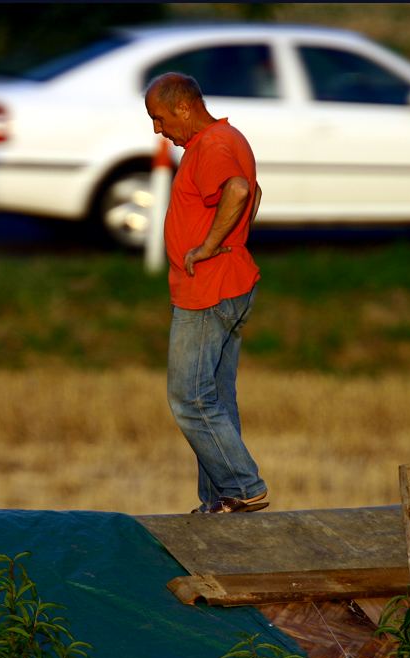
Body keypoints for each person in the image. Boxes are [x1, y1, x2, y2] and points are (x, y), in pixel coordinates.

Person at [143, 72, 268, 514]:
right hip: (233, 281)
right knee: (216, 397)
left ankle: (242, 485)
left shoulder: (211, 146)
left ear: (182, 107)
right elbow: (253, 194)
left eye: (159, 119)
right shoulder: (228, 137)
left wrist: (209, 245)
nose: (158, 130)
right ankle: (221, 501)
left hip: (208, 289)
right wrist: (234, 237)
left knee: (189, 399)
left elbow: (237, 191)